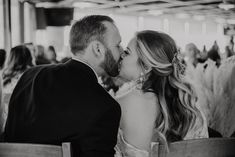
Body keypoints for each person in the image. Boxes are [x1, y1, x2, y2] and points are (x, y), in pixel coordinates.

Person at [3, 15, 123, 157]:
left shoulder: (31, 75)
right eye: (117, 45)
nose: (122, 51)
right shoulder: (106, 107)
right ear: (98, 49)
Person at [115, 30, 208, 157]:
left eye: (127, 52)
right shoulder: (191, 108)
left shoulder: (119, 105)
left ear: (147, 67)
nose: (121, 56)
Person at [0, 45, 33, 132]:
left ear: (10, 59)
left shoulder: (3, 77)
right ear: (29, 58)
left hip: (7, 124)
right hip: (29, 123)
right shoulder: (34, 76)